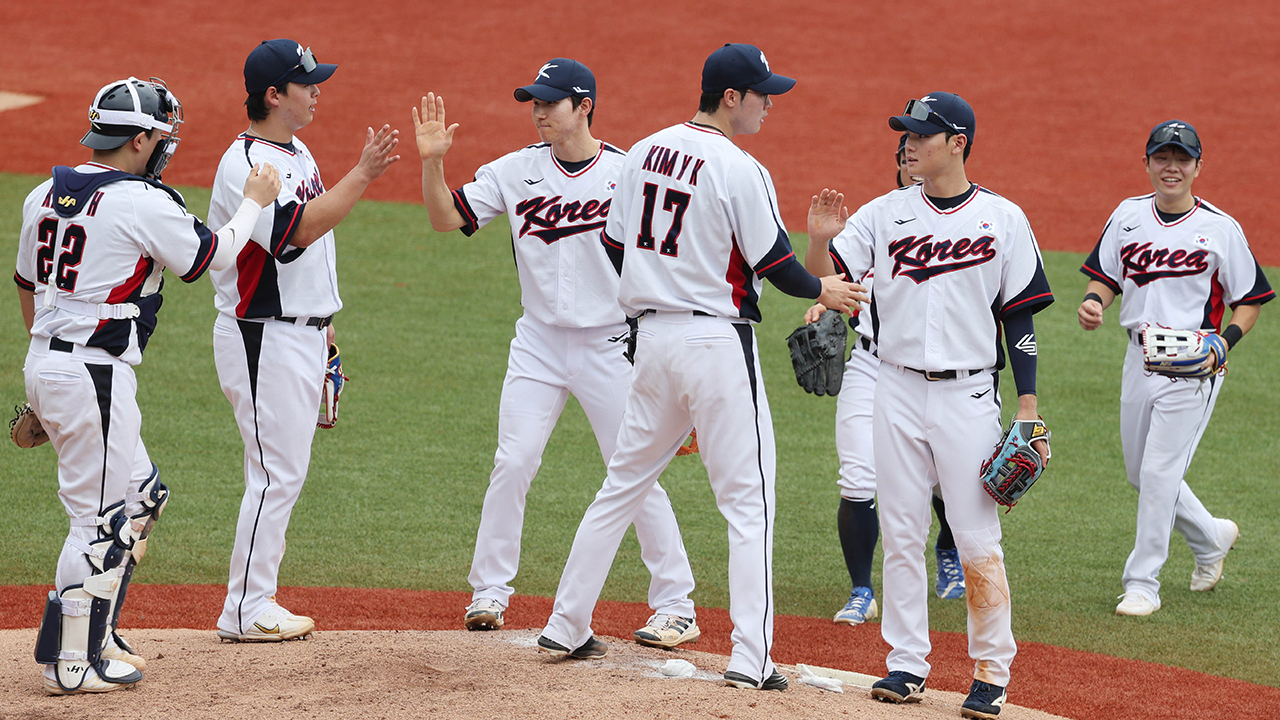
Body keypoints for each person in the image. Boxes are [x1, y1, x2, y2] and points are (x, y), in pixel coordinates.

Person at [538, 43, 864, 691]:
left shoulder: (643, 153)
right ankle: (751, 657)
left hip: (653, 343)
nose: (770, 103)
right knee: (750, 506)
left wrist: (645, 311)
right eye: (762, 93)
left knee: (622, 484)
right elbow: (775, 264)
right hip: (716, 346)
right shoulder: (738, 168)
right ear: (731, 97)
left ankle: (567, 622)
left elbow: (611, 244)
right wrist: (825, 289)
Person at [411, 58, 700, 648]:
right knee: (512, 461)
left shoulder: (629, 174)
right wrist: (433, 161)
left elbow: (671, 257)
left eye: (551, 102)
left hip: (611, 344)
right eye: (533, 102)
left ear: (585, 106)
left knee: (635, 471)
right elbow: (445, 218)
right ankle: (489, 593)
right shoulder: (515, 172)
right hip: (539, 341)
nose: (539, 111)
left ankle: (676, 604)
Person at [16, 77, 280, 693]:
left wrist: (41, 379)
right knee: (100, 521)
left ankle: (97, 631)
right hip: (93, 375)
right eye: (161, 138)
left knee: (140, 499)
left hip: (53, 364)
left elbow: (28, 288)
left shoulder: (42, 196)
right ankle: (70, 661)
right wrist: (254, 201)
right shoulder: (141, 200)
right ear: (139, 139)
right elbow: (211, 257)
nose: (165, 148)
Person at [806, 92, 1052, 719]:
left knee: (974, 536)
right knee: (904, 530)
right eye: (907, 135)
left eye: (922, 135)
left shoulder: (1003, 219)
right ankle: (906, 662)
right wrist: (817, 244)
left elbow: (1018, 316)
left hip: (969, 394)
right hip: (893, 387)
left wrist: (1026, 404)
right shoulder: (883, 214)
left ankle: (992, 670)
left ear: (958, 143)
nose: (910, 145)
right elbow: (829, 282)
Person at [209, 39, 400, 642]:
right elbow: (297, 234)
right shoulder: (248, 163)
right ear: (274, 94)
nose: (317, 89)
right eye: (306, 82)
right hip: (262, 335)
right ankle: (245, 607)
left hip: (297, 332)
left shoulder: (293, 149)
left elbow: (307, 254)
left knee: (278, 472)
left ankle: (254, 599)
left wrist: (324, 321)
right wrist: (364, 172)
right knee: (275, 474)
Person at [1078, 120, 1272, 617]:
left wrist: (1223, 347)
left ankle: (1142, 582)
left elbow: (1249, 301)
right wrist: (1093, 303)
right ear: (1147, 163)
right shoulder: (1127, 217)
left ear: (1197, 168)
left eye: (1181, 159)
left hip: (1194, 367)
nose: (1171, 167)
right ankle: (1211, 537)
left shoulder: (1221, 229)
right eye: (1162, 158)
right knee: (1140, 474)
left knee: (1161, 471)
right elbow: (1104, 276)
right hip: (1139, 358)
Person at [805, 133, 966, 628]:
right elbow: (828, 279)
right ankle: (861, 589)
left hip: (947, 375)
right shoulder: (878, 221)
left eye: (919, 146)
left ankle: (947, 549)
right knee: (857, 477)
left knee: (948, 480)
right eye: (904, 153)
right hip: (874, 366)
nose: (911, 159)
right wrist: (821, 296)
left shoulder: (968, 222)